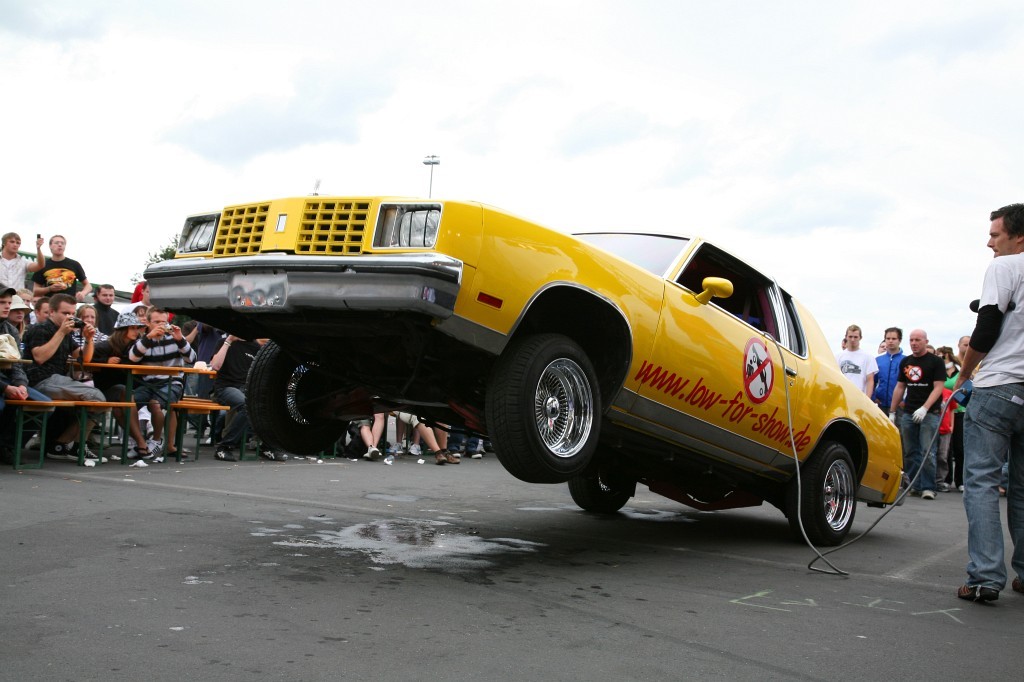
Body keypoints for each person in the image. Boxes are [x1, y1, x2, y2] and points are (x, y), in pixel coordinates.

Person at [953, 202, 1024, 603]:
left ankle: (984, 577)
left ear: (1019, 238)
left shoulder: (1005, 267)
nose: (989, 243)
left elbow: (987, 325)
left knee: (981, 481)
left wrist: (965, 373)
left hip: (999, 384)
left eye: (996, 235)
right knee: (1023, 487)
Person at [22, 292, 106, 462]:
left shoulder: (66, 332)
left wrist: (89, 339)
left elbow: (84, 358)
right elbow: (40, 357)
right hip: (40, 381)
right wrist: (61, 332)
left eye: (72, 313)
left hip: (56, 380)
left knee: (98, 401)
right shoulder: (40, 329)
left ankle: (63, 444)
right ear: (52, 312)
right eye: (65, 313)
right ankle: (73, 446)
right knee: (96, 397)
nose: (70, 317)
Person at [128, 307, 196, 457]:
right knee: (128, 402)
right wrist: (149, 337)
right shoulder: (143, 340)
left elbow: (191, 359)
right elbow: (132, 357)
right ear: (148, 323)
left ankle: (157, 440)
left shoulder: (175, 338)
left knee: (155, 404)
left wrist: (180, 339)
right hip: (148, 383)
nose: (160, 325)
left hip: (172, 382)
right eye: (156, 322)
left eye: (163, 322)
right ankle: (137, 442)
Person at [888, 329, 945, 500]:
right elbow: (900, 387)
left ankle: (928, 487)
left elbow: (938, 387)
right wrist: (892, 411)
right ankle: (913, 484)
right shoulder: (906, 361)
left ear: (926, 341)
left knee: (928, 451)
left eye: (918, 340)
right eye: (911, 340)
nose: (914, 343)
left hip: (930, 413)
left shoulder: (936, 361)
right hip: (909, 412)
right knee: (910, 451)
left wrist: (925, 408)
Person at [86, 311, 152, 458]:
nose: (136, 331)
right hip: (104, 389)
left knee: (121, 406)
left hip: (131, 389)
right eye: (132, 328)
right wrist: (105, 361)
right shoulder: (106, 345)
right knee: (123, 394)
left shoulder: (137, 346)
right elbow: (86, 359)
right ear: (122, 329)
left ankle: (140, 443)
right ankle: (141, 443)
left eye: (137, 328)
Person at [210, 335, 286, 462]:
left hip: (246, 389)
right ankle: (224, 447)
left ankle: (267, 447)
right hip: (226, 387)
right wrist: (228, 341)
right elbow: (215, 366)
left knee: (271, 405)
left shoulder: (254, 346)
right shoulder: (223, 342)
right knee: (247, 406)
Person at [0, 287, 51, 464]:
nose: (7, 306)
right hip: (3, 384)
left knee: (43, 405)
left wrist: (21, 384)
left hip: (8, 380)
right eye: (2, 303)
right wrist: (6, 388)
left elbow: (17, 364)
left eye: (9, 302)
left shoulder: (10, 329)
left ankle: (8, 446)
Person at [31, 235, 92, 302]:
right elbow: (35, 291)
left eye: (62, 243)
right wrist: (49, 288)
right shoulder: (43, 265)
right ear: (50, 246)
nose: (60, 245)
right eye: (56, 243)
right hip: (51, 304)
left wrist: (83, 293)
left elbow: (88, 286)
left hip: (69, 304)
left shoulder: (74, 264)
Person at [835, 324, 878, 397]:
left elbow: (870, 380)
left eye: (855, 337)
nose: (852, 339)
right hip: (842, 396)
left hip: (860, 397)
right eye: (850, 336)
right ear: (846, 337)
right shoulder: (838, 356)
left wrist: (867, 399)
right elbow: (835, 377)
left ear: (860, 338)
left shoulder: (868, 357)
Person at [872, 327, 905, 413]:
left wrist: (905, 401)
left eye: (894, 339)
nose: (890, 341)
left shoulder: (906, 360)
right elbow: (872, 381)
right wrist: (874, 397)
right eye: (888, 338)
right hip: (881, 405)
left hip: (899, 407)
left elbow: (911, 384)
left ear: (900, 340)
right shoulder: (878, 360)